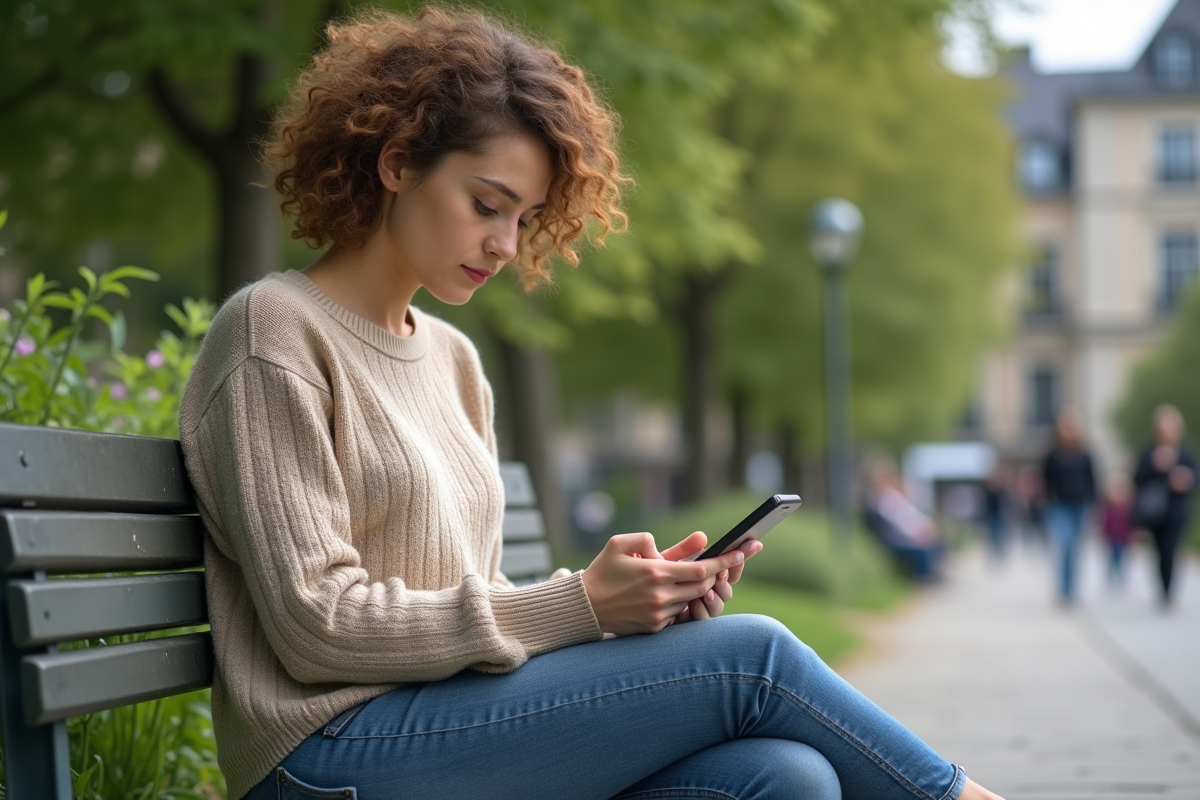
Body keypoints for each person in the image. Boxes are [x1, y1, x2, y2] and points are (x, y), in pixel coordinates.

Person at [178, 8, 1007, 800]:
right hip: (326, 759)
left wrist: (627, 615)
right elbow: (317, 623)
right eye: (486, 204)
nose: (505, 245)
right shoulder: (273, 332)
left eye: (526, 217)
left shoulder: (454, 360)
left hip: (444, 731)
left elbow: (475, 600)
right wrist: (578, 604)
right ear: (396, 163)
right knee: (752, 659)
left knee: (786, 778)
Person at [1132, 404, 1197, 607]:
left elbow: (1196, 477)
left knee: (1171, 548)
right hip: (1155, 512)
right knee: (1160, 550)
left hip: (1178, 510)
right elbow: (1137, 479)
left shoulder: (1186, 451)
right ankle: (1162, 587)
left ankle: (1169, 591)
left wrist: (1185, 479)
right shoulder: (1148, 450)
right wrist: (1155, 465)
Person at [1041, 408, 1097, 605]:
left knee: (1075, 549)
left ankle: (1073, 589)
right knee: (1064, 545)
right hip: (1059, 506)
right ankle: (1063, 589)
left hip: (1080, 506)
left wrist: (1093, 505)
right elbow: (1045, 482)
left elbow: (1093, 481)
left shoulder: (1085, 454)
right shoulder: (1052, 455)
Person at [862, 460, 945, 582]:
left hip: (903, 533)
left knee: (936, 541)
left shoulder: (892, 496)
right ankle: (922, 578)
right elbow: (896, 522)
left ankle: (931, 572)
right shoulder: (880, 498)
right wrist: (914, 535)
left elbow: (907, 516)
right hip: (895, 537)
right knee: (922, 547)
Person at [1099, 477, 1134, 588]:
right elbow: (1105, 522)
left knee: (1121, 558)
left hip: (1123, 537)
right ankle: (1111, 577)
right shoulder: (1109, 506)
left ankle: (1121, 576)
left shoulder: (1128, 507)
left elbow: (1132, 523)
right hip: (1112, 537)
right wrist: (1104, 533)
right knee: (1112, 558)